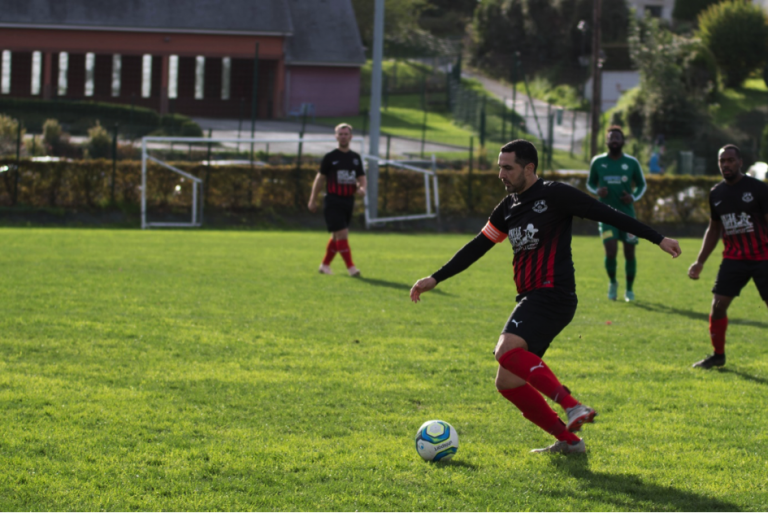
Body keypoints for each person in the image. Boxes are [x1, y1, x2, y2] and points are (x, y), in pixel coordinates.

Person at [410, 140, 680, 454]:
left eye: (507, 167)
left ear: (529, 168)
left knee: (505, 348)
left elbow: (607, 214)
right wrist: (436, 277)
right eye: (499, 166)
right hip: (532, 296)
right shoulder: (508, 207)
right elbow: (477, 246)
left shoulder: (554, 194)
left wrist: (657, 238)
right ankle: (570, 442)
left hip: (553, 293)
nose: (501, 174)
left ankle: (572, 406)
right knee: (507, 382)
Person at [688, 144, 768, 369]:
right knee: (718, 306)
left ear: (740, 162)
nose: (726, 165)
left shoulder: (758, 189)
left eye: (730, 160)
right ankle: (718, 355)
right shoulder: (716, 194)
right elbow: (714, 229)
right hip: (734, 259)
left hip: (763, 257)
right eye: (722, 161)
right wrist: (700, 261)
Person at [587, 126, 648, 302]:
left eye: (617, 138)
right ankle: (613, 282)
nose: (614, 140)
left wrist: (633, 196)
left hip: (628, 215)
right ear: (606, 141)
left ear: (622, 141)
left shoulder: (631, 163)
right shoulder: (598, 161)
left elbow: (642, 184)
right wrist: (598, 190)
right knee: (611, 250)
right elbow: (590, 183)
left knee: (630, 252)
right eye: (611, 137)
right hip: (605, 215)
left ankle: (629, 290)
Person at [308, 123, 367, 277]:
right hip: (333, 201)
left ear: (351, 136)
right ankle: (351, 268)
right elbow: (320, 179)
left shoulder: (355, 158)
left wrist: (362, 188)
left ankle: (325, 266)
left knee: (336, 236)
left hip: (348, 201)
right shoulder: (330, 157)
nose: (343, 136)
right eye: (340, 134)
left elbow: (361, 177)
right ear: (336, 136)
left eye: (346, 134)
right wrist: (312, 199)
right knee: (342, 234)